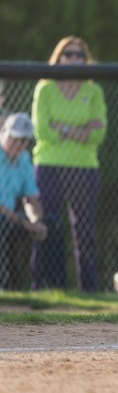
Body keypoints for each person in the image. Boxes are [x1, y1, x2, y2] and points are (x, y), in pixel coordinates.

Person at [30, 36, 107, 292]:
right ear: (59, 57)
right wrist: (79, 130)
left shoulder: (92, 90)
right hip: (49, 165)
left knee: (84, 230)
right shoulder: (46, 88)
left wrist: (61, 128)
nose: (73, 59)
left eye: (78, 55)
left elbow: (98, 133)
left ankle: (89, 290)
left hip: (85, 167)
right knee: (47, 223)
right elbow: (43, 131)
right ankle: (45, 286)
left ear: (85, 60)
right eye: (68, 54)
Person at [0, 113, 48, 289]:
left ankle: (45, 287)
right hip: (7, 218)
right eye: (14, 138)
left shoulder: (24, 159)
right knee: (4, 226)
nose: (18, 145)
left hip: (12, 218)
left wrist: (37, 222)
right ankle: (5, 286)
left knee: (52, 226)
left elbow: (30, 198)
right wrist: (23, 222)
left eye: (24, 141)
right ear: (3, 132)